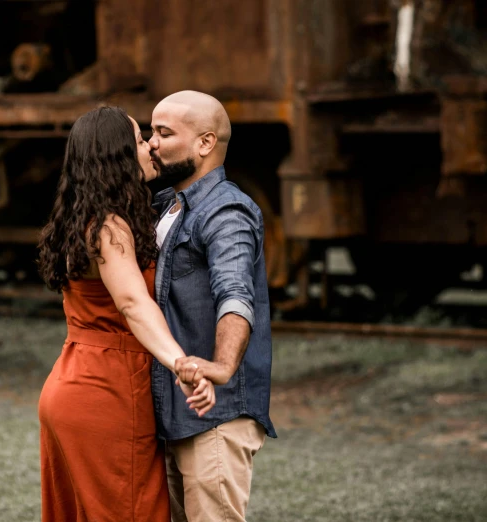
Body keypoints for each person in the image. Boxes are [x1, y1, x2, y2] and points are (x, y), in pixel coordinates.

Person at [36, 106, 217, 522]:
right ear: (117, 156)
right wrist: (181, 363)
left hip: (71, 384)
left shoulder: (83, 220)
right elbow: (133, 304)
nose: (150, 146)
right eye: (139, 140)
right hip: (108, 392)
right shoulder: (109, 227)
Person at [147, 90, 277, 521]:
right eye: (151, 132)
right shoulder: (169, 204)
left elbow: (235, 293)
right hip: (178, 412)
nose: (152, 143)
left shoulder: (226, 211)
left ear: (205, 143)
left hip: (215, 416)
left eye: (164, 133)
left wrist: (220, 367)